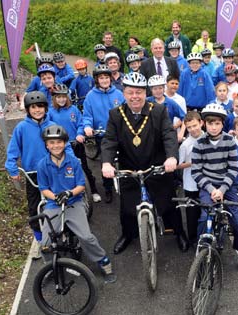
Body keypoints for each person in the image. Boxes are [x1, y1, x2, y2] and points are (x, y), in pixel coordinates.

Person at [101, 73, 189, 254]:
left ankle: (179, 233)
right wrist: (107, 163)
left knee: (168, 202)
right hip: (129, 166)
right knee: (127, 206)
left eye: (139, 92)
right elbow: (109, 141)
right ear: (124, 93)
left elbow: (168, 135)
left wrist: (171, 157)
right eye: (130, 92)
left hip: (156, 165)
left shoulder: (158, 110)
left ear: (145, 92)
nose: (135, 96)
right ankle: (128, 234)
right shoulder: (116, 115)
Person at [37, 125, 116, 283]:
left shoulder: (73, 161)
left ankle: (103, 261)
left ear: (65, 143)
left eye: (59, 142)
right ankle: (50, 267)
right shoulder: (42, 165)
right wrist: (54, 197)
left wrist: (69, 193)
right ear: (46, 145)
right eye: (51, 143)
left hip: (74, 202)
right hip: (53, 205)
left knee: (86, 237)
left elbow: (81, 185)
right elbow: (43, 188)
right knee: (45, 244)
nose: (55, 146)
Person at [5, 92, 73, 259]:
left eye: (40, 106)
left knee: (61, 203)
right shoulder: (21, 128)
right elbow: (13, 150)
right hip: (33, 174)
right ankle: (40, 240)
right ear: (28, 109)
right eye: (33, 107)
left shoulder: (52, 124)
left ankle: (67, 232)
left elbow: (66, 144)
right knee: (34, 209)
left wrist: (72, 160)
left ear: (45, 108)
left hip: (53, 171)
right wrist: (12, 168)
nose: (37, 110)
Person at [191, 104, 238, 278]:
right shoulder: (199, 144)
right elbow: (196, 171)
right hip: (208, 187)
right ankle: (201, 252)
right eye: (210, 123)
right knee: (205, 219)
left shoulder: (229, 141)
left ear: (222, 125)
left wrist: (222, 188)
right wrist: (212, 189)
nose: (214, 127)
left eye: (217, 123)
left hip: (227, 186)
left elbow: (234, 169)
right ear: (205, 124)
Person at [49, 83, 101, 202]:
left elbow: (81, 123)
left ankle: (93, 190)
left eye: (63, 96)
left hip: (75, 144)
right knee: (63, 170)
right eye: (58, 97)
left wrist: (79, 134)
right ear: (54, 98)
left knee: (83, 168)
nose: (61, 99)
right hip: (59, 147)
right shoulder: (51, 113)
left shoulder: (74, 110)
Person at [83, 65, 125, 203]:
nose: (105, 80)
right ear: (97, 80)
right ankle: (108, 188)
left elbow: (126, 112)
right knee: (106, 162)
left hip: (121, 133)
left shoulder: (118, 94)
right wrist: (88, 126)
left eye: (106, 77)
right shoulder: (90, 96)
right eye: (101, 78)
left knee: (128, 159)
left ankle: (128, 184)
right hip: (103, 135)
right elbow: (87, 115)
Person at [178, 111, 204, 244]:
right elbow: (178, 165)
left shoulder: (209, 138)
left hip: (207, 182)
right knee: (192, 214)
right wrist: (192, 163)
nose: (193, 129)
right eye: (189, 127)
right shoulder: (186, 145)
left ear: (201, 123)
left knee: (206, 211)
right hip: (191, 184)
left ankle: (205, 236)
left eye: (195, 125)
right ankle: (193, 239)